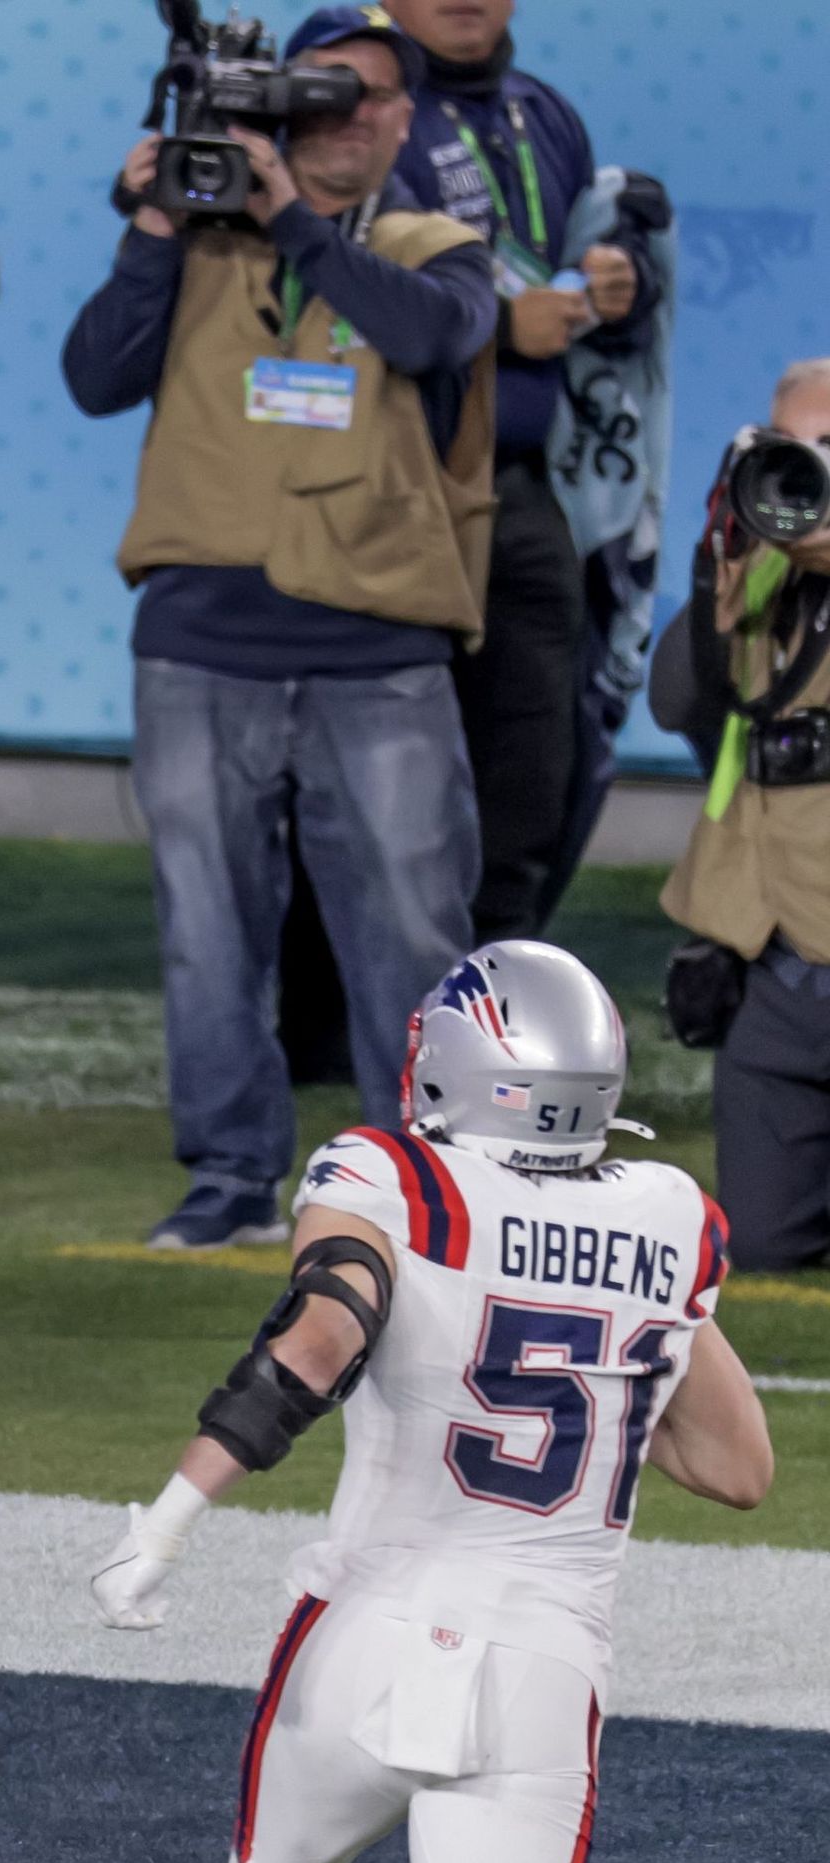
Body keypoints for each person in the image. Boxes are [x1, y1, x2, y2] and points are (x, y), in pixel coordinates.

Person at [88, 940, 772, 1863]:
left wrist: (170, 1513)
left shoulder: (396, 1176)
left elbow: (322, 1330)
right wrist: (627, 1332)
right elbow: (739, 1465)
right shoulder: (669, 1213)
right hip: (546, 1667)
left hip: (378, 1628)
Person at [63, 6, 497, 1253]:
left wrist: (288, 221)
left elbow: (430, 335)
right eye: (321, 94)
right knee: (206, 932)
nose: (347, 116)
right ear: (282, 109)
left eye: (369, 97)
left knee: (414, 928)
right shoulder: (193, 243)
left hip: (380, 649)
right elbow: (93, 377)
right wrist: (155, 221)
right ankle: (230, 1178)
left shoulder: (438, 243)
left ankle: (426, 1185)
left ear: (404, 118)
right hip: (199, 641)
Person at [389, 0, 663, 939]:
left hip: (522, 487)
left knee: (534, 767)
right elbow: (329, 284)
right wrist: (501, 330)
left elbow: (580, 298)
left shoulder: (543, 113)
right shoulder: (354, 108)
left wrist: (617, 292)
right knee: (370, 773)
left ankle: (495, 1000)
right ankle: (323, 1028)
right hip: (389, 493)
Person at [659, 362, 830, 1272]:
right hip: (780, 974)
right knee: (757, 1254)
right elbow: (676, 700)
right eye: (785, 450)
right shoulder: (765, 580)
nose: (807, 474)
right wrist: (721, 566)